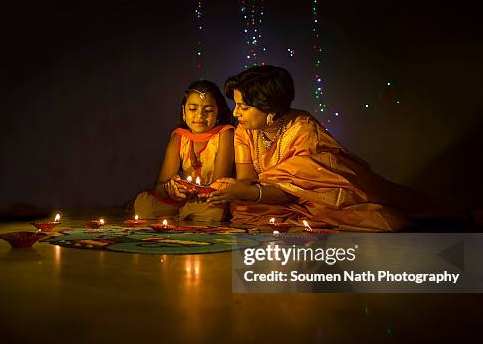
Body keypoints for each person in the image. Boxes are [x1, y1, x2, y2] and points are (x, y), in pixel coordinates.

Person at [205, 65, 411, 232]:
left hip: (321, 194)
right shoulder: (245, 129)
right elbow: (246, 178)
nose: (236, 112)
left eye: (244, 107)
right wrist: (232, 188)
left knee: (358, 215)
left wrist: (249, 192)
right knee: (242, 208)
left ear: (270, 109)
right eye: (237, 104)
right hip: (275, 194)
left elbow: (299, 189)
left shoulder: (303, 130)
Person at [134, 80, 235, 222]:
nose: (200, 115)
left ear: (218, 112)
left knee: (212, 212)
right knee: (145, 204)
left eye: (208, 110)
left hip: (213, 200)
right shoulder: (179, 137)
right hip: (186, 199)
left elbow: (218, 187)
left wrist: (197, 193)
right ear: (183, 111)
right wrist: (172, 189)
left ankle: (186, 213)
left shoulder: (225, 134)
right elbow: (160, 187)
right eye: (193, 109)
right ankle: (186, 212)